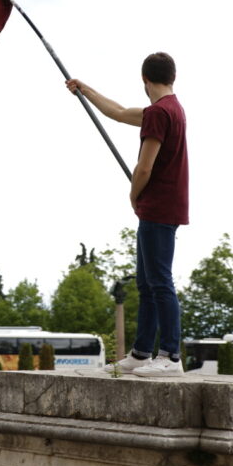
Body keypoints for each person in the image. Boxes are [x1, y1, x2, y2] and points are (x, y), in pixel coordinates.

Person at [67, 51, 188, 377]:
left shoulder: (159, 114)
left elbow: (144, 166)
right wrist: (84, 89)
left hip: (158, 207)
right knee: (147, 284)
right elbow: (118, 112)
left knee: (160, 282)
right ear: (171, 77)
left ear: (144, 80)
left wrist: (133, 195)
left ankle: (171, 356)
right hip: (163, 207)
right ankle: (141, 353)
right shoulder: (170, 110)